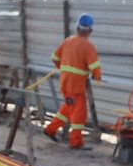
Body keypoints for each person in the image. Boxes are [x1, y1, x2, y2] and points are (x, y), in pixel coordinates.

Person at [44, 12, 102, 151]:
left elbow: (54, 57)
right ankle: (76, 142)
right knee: (79, 113)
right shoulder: (88, 46)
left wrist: (63, 68)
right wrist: (97, 77)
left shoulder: (68, 41)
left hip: (65, 82)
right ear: (90, 30)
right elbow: (95, 66)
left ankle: (50, 129)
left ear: (77, 27)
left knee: (69, 108)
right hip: (77, 86)